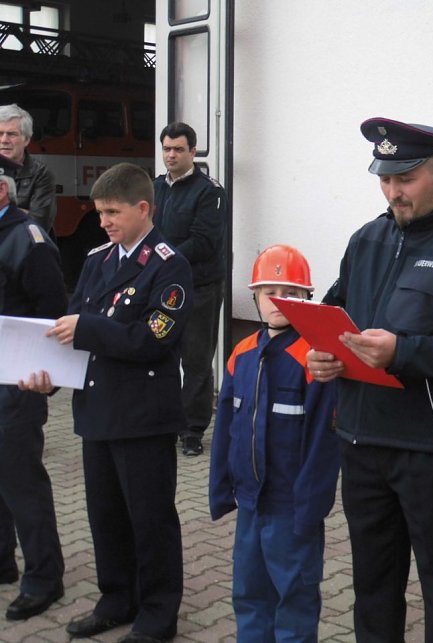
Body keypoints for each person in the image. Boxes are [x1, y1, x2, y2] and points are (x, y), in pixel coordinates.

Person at [307, 117, 433, 643]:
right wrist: (322, 354)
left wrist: (402, 351)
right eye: (385, 179)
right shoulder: (367, 239)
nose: (394, 192)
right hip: (360, 437)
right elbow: (336, 315)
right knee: (373, 586)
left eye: (406, 179)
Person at [22, 162, 193, 642]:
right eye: (100, 213)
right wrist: (47, 379)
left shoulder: (170, 264)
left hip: (143, 416)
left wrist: (90, 330)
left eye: (113, 212)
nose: (104, 222)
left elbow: (153, 339)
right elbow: (69, 331)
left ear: (143, 208)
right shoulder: (99, 259)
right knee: (106, 518)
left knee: (151, 521)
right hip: (97, 412)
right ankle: (117, 598)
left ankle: (158, 614)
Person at [210, 244, 339, 642]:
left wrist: (311, 506)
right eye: (269, 292)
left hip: (291, 509)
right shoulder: (240, 354)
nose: (279, 302)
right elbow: (225, 428)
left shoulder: (315, 358)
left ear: (307, 299)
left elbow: (323, 441)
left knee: (295, 599)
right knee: (249, 595)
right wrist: (221, 488)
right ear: (254, 297)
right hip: (250, 502)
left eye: (290, 293)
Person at [0, 156, 65, 621]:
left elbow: (52, 316)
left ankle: (44, 578)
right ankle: (3, 563)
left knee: (23, 484)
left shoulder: (29, 240)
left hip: (19, 382)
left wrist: (46, 383)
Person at [153, 122, 226, 457]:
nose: (171, 155)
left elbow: (203, 241)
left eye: (178, 149)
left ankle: (192, 430)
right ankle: (165, 421)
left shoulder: (209, 191)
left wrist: (160, 258)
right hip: (160, 289)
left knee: (196, 360)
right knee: (159, 353)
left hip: (200, 288)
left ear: (193, 152)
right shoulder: (154, 188)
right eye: (167, 148)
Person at [0, 104, 57, 233]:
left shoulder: (41, 174)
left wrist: (4, 210)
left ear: (26, 140)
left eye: (12, 134)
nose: (4, 140)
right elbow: (31, 216)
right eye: (0, 133)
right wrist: (22, 212)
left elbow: (40, 222)